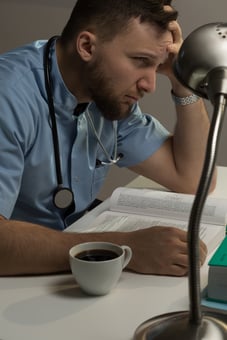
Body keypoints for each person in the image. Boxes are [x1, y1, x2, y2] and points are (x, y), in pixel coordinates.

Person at [0, 0, 214, 277]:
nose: (150, 84)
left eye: (158, 66)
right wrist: (123, 247)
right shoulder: (9, 97)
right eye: (141, 61)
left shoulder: (105, 98)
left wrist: (181, 81)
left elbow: (194, 179)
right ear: (87, 46)